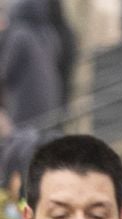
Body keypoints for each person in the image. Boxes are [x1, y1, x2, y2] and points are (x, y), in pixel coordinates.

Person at [0, 0, 76, 130]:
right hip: (51, 103)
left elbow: (5, 71)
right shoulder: (49, 33)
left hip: (24, 105)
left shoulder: (20, 34)